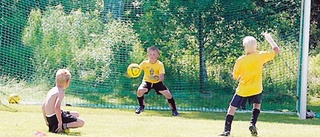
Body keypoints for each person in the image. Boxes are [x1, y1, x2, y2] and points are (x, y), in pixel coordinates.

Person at [219, 33, 280, 136]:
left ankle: (226, 130)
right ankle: (252, 123)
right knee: (256, 105)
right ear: (255, 46)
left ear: (244, 47)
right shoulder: (260, 56)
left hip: (243, 89)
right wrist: (268, 38)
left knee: (232, 108)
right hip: (257, 88)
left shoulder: (240, 60)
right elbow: (276, 50)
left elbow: (235, 76)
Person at [135, 46, 179, 116]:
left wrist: (157, 77)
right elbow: (137, 70)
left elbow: (161, 78)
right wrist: (132, 71)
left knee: (168, 95)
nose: (152, 56)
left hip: (157, 82)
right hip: (147, 82)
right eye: (150, 54)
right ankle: (141, 106)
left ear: (157, 55)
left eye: (154, 54)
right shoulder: (144, 63)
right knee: (139, 91)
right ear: (147, 55)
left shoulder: (160, 64)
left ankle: (174, 111)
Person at [42, 69, 85, 133]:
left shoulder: (52, 90)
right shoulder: (60, 92)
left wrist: (46, 121)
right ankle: (62, 126)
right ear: (67, 82)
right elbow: (57, 107)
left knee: (76, 114)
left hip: (49, 118)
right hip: (55, 118)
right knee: (81, 122)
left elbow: (43, 106)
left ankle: (55, 126)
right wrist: (60, 122)